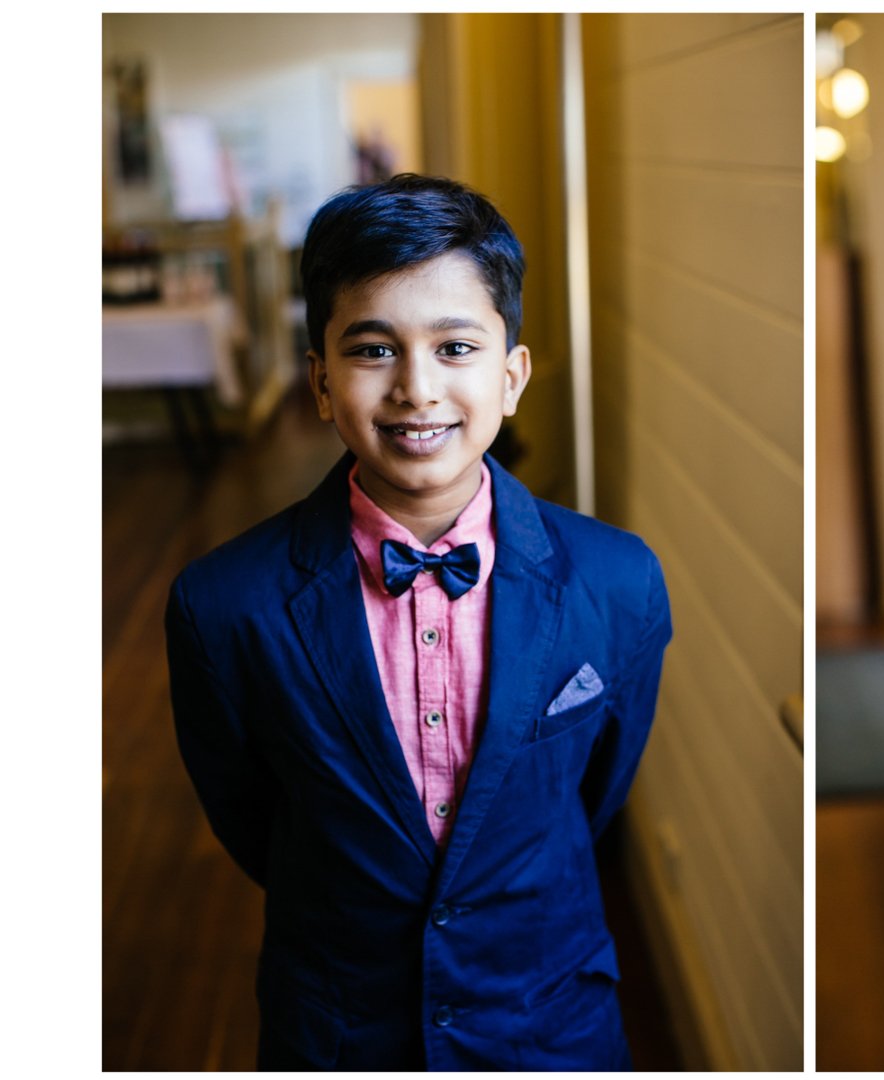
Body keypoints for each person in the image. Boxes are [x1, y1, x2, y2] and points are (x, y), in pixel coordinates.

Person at [166, 174, 672, 1070]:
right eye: (371, 350)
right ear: (319, 383)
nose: (415, 387)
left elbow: (588, 797)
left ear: (510, 377)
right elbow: (256, 823)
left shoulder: (617, 580)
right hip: (340, 1030)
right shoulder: (223, 605)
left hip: (547, 1021)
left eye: (454, 346)